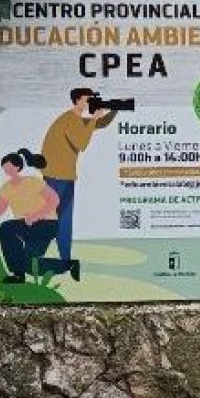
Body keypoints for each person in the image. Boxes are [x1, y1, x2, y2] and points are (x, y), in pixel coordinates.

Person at [39, 88, 117, 265]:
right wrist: (95, 117)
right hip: (56, 176)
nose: (91, 102)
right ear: (78, 101)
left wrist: (115, 108)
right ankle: (41, 255)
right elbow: (82, 142)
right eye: (88, 99)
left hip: (63, 175)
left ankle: (64, 259)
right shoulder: (69, 120)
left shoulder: (76, 119)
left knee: (63, 219)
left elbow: (101, 124)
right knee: (54, 218)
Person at [0, 149, 79, 283]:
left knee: (30, 266)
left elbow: (54, 200)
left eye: (8, 166)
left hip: (46, 224)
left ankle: (69, 264)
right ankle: (18, 275)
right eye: (4, 167)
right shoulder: (6, 188)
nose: (6, 170)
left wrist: (36, 215)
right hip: (25, 224)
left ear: (17, 166)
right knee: (6, 228)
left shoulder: (33, 181)